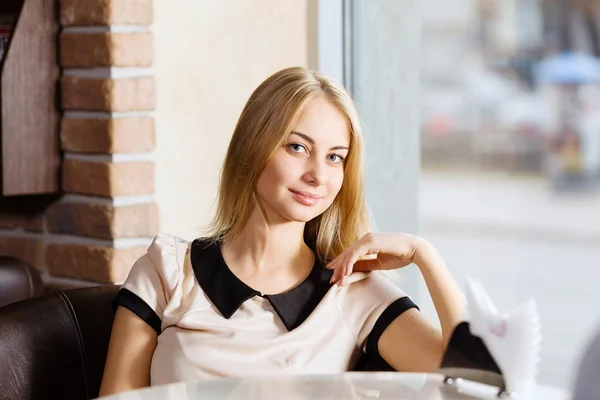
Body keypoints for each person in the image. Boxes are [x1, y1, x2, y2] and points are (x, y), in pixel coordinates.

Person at [98, 67, 465, 396]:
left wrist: (422, 254)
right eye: (297, 147)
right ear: (253, 147)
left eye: (335, 157)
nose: (318, 175)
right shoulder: (167, 271)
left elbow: (480, 380)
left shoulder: (354, 292)